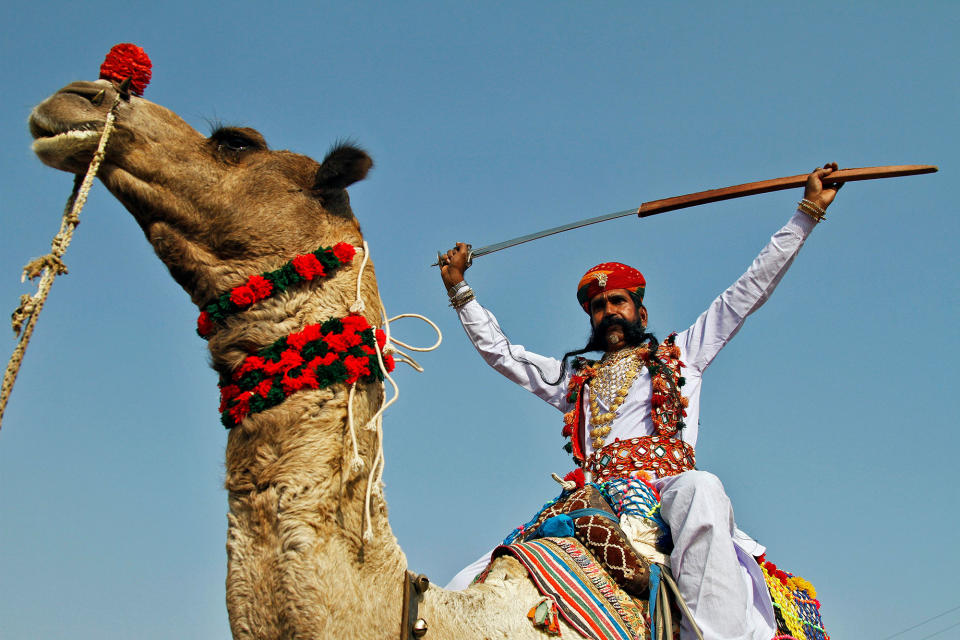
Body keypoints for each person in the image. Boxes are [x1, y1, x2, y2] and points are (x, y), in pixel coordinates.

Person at [437, 164, 843, 640]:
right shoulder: (574, 379)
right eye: (599, 305)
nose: (609, 311)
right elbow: (503, 355)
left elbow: (746, 292)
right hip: (598, 495)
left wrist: (807, 212)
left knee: (702, 488)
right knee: (468, 581)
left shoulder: (681, 354)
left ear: (639, 311)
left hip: (668, 489)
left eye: (618, 302)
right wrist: (459, 291)